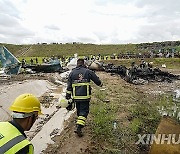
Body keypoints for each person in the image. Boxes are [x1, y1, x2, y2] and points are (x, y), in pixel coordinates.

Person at [66, 58, 102, 137]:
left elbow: (69, 87)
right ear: (84, 63)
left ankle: (80, 121)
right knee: (84, 111)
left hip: (76, 97)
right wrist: (100, 84)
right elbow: (96, 80)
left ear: (77, 64)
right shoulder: (88, 71)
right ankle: (79, 127)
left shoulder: (72, 73)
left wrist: (68, 96)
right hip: (85, 97)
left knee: (79, 111)